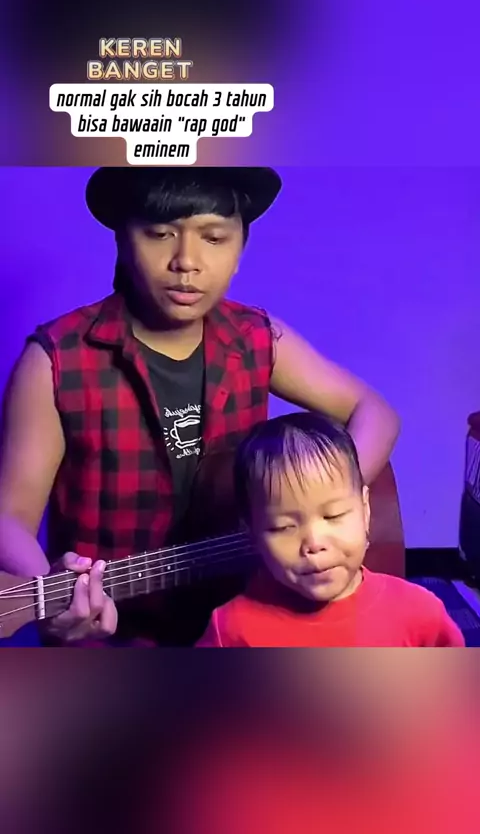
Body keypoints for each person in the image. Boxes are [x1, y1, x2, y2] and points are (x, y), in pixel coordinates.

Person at [0, 167, 400, 646]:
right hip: (117, 634)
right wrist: (52, 593)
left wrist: (321, 502)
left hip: (248, 617)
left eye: (213, 237)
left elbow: (376, 412)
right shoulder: (55, 358)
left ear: (240, 250)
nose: (186, 261)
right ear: (122, 240)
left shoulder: (257, 337)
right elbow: (10, 516)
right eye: (159, 234)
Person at [197, 411, 464, 647]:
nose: (314, 543)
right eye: (284, 527)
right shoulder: (230, 630)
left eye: (333, 515)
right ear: (252, 533)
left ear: (365, 509)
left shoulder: (420, 614)